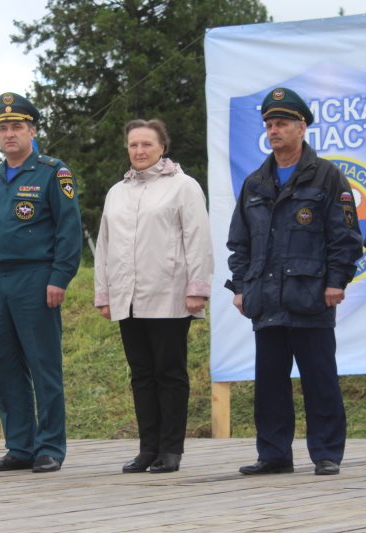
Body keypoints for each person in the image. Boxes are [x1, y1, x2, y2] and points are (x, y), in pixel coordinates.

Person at [226, 88, 363, 476]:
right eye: (269, 124)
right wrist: (240, 285)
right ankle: (273, 454)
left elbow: (346, 238)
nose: (274, 130)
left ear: (302, 127)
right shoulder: (255, 182)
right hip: (265, 298)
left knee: (319, 378)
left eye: (282, 123)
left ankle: (326, 454)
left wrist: (337, 281)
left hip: (311, 294)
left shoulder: (328, 176)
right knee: (269, 382)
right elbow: (239, 242)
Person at [0, 92, 83, 473]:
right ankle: (19, 446)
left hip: (35, 279)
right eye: (2, 128)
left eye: (17, 127)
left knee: (42, 363)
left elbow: (69, 229)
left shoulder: (52, 172)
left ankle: (49, 446)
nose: (9, 134)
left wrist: (59, 276)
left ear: (32, 131)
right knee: (5, 366)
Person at [94, 119, 214, 474]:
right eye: (133, 145)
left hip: (169, 293)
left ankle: (171, 450)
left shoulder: (183, 187)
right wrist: (104, 292)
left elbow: (198, 238)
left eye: (147, 144)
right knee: (141, 375)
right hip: (128, 297)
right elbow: (104, 244)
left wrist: (197, 289)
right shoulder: (117, 192)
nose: (140, 151)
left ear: (162, 147)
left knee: (170, 373)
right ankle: (148, 449)